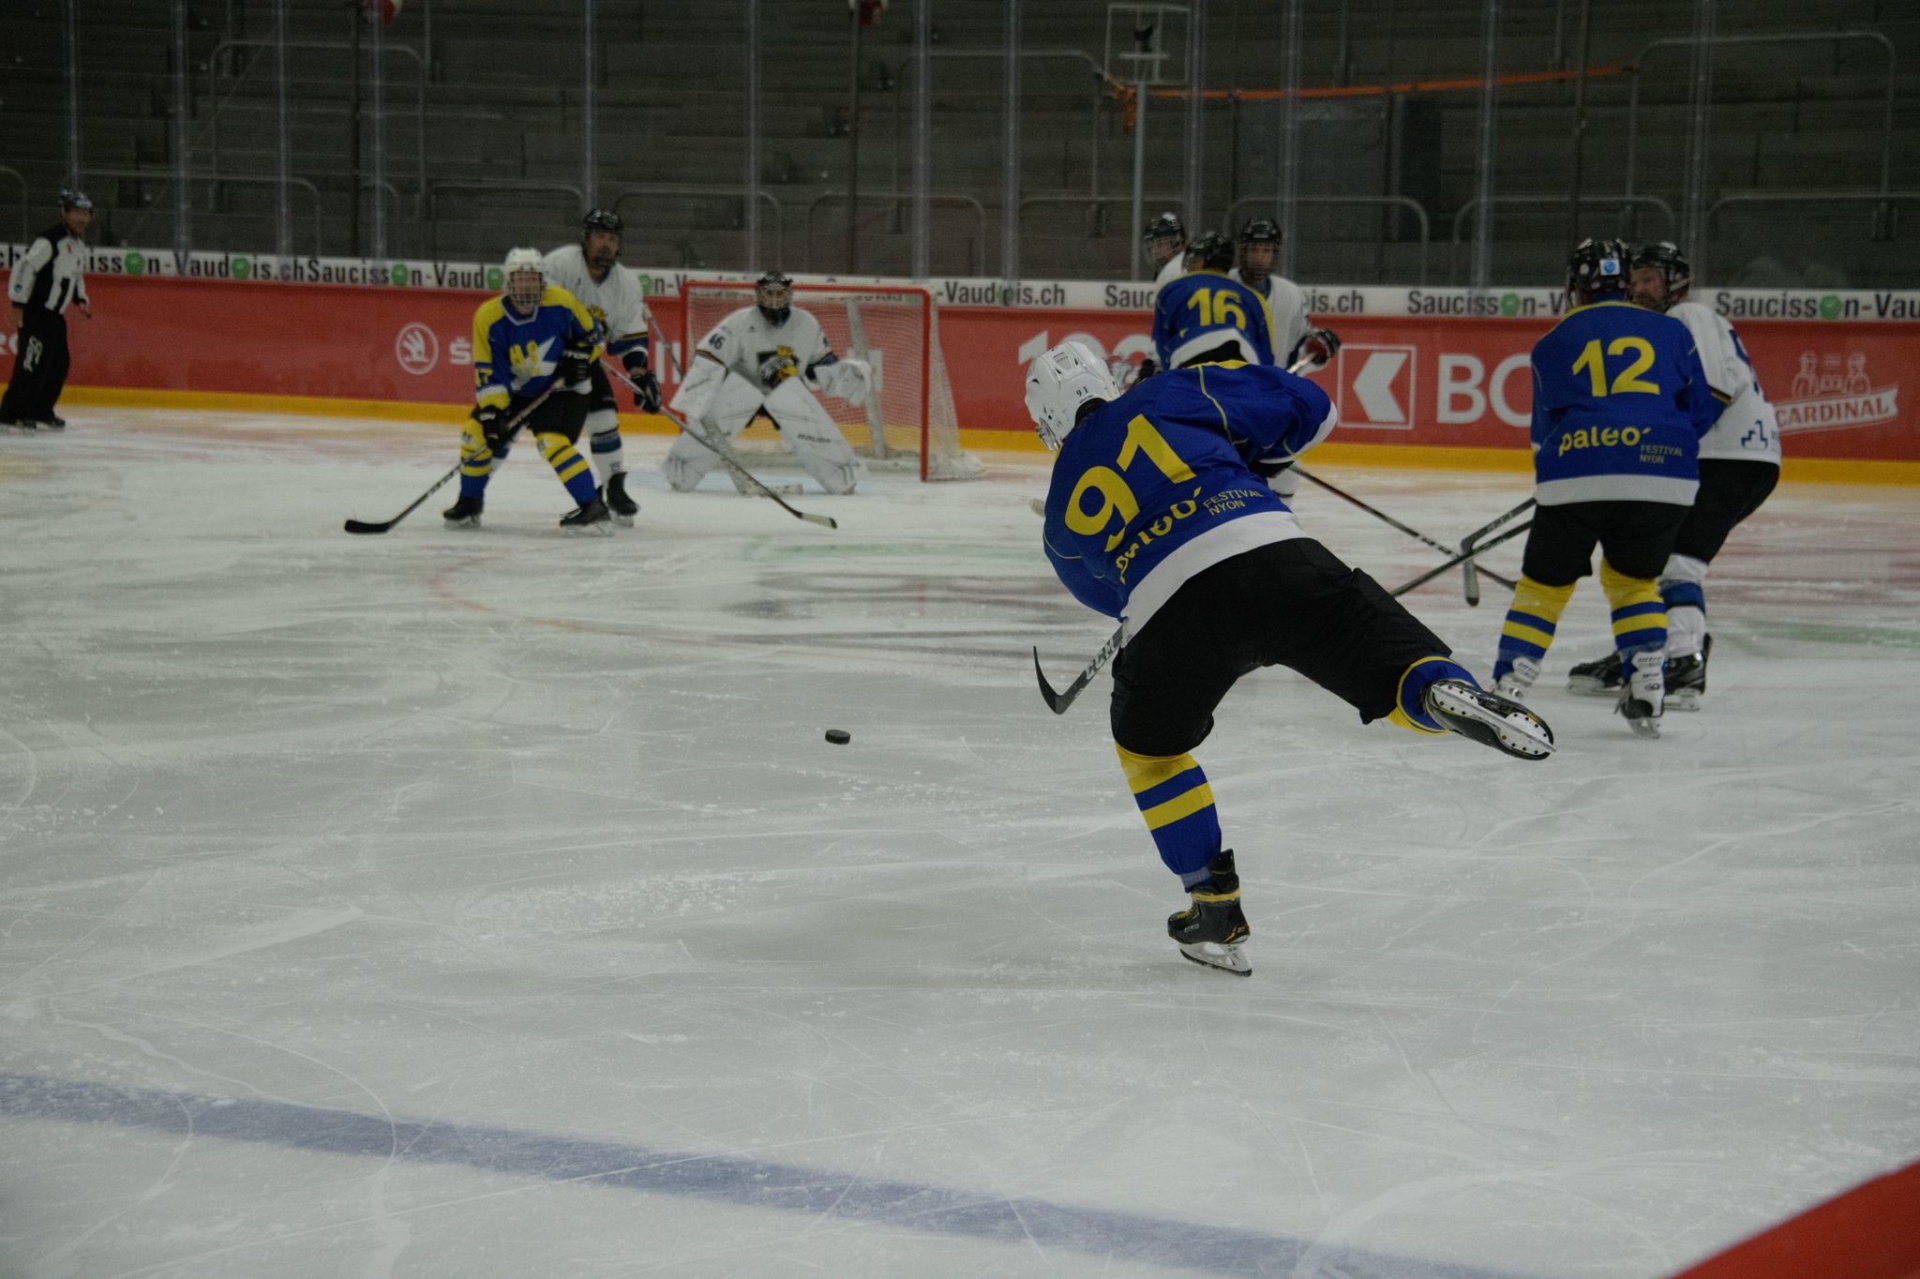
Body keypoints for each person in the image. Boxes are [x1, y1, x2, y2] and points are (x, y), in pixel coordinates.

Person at [1028, 340, 1555, 977]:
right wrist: (1254, 458)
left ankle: (1213, 905)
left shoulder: (1059, 507)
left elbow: (1107, 598)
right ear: (1106, 382)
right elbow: (1314, 406)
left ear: (1049, 421)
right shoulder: (1170, 391)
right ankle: (1440, 692)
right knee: (1395, 671)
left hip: (1170, 611)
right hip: (1274, 551)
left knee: (1152, 752)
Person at [1489, 238, 1719, 737]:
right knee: (1633, 583)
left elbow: (1541, 433)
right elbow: (1701, 409)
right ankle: (1648, 684)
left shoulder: (1552, 341)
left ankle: (1511, 683)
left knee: (1544, 589)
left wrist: (1574, 471)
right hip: (1664, 475)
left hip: (1578, 470)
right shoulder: (1672, 329)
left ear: (1576, 286)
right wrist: (1648, 448)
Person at [1565, 242, 1781, 709]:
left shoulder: (1687, 317)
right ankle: (1649, 650)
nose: (1638, 288)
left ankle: (1684, 665)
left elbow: (1716, 391)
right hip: (1721, 457)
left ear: (1675, 283)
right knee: (1648, 555)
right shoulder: (1665, 327)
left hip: (1727, 459)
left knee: (1675, 562)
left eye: (1649, 280)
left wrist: (1656, 448)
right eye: (1635, 279)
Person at [442, 248, 611, 533]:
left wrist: (579, 358)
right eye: (520, 280)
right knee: (475, 433)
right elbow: (489, 370)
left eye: (532, 279)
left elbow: (594, 337)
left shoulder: (562, 302)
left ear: (543, 281)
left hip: (563, 390)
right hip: (517, 393)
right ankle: (469, 503)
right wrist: (492, 411)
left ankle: (593, 507)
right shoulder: (488, 317)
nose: (526, 287)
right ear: (507, 282)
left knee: (552, 443)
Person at [663, 271, 872, 495]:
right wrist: (703, 396)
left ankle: (840, 476)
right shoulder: (739, 321)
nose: (774, 298)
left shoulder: (807, 323)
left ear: (789, 294)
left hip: (787, 394)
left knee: (793, 399)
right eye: (769, 293)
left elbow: (819, 364)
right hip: (742, 393)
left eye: (779, 293)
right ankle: (681, 471)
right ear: (758, 294)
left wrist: (838, 373)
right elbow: (710, 356)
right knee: (731, 403)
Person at [541, 209, 657, 526]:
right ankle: (470, 497)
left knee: (605, 418)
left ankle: (614, 487)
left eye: (612, 238)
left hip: (585, 363)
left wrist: (639, 375)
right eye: (599, 237)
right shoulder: (560, 264)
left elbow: (629, 336)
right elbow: (539, 313)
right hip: (543, 360)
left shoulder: (626, 284)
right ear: (586, 238)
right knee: (524, 432)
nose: (605, 245)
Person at [3, 189, 93, 431]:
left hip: (55, 316)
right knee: (31, 364)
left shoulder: (77, 244)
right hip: (36, 313)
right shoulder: (50, 240)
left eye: (86, 213)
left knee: (58, 364)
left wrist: (80, 298)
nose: (83, 219)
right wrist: (18, 303)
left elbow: (75, 274)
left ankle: (41, 410)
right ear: (64, 213)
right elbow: (24, 268)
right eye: (77, 213)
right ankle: (11, 414)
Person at [1148, 232, 1277, 373]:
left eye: (1193, 259)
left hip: (1190, 374)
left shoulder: (1171, 290)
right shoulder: (1254, 298)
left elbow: (1162, 347)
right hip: (1239, 379)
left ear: (1203, 261)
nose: (1190, 264)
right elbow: (1266, 357)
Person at [1230, 218, 1340, 374]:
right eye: (1253, 250)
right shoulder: (1221, 285)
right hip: (1227, 385)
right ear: (1243, 251)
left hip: (1271, 388)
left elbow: (1300, 346)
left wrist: (1317, 346)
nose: (1259, 258)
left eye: (1266, 251)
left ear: (1275, 254)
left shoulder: (1291, 295)